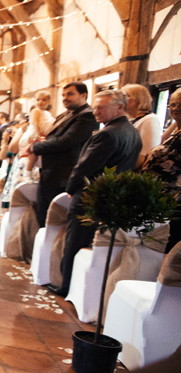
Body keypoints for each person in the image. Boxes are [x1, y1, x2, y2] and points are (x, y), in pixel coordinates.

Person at [47, 89, 142, 298]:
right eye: (96, 107)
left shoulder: (107, 134)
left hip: (90, 196)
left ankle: (66, 285)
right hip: (112, 196)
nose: (96, 112)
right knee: (92, 245)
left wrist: (71, 190)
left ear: (120, 108)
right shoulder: (132, 132)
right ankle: (83, 289)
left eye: (101, 107)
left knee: (75, 242)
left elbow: (84, 167)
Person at [29, 82, 99, 227]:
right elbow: (52, 137)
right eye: (63, 95)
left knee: (54, 220)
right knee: (42, 216)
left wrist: (35, 147)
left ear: (83, 95)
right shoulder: (66, 114)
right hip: (50, 172)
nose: (65, 98)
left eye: (70, 94)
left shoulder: (87, 116)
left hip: (63, 174)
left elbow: (66, 141)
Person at [142, 89, 181, 254]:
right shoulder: (175, 130)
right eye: (173, 104)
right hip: (159, 199)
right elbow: (160, 143)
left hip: (175, 200)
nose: (176, 108)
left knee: (169, 246)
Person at [122, 83, 161, 168]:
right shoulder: (131, 120)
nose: (121, 100)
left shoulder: (149, 120)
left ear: (139, 99)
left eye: (126, 96)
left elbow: (144, 155)